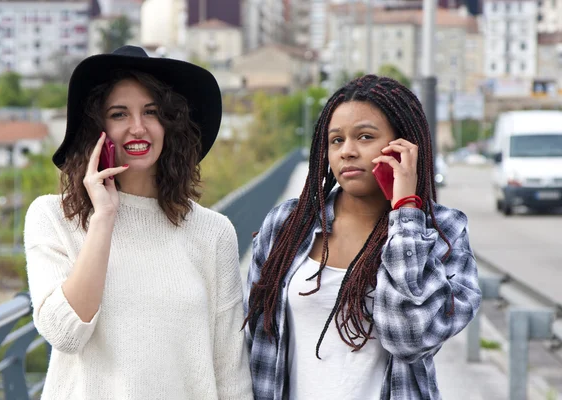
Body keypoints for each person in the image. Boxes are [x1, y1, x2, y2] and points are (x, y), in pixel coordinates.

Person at [24, 46, 252, 399]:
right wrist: (104, 218)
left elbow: (230, 370)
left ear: (170, 124)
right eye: (118, 114)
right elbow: (65, 333)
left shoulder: (213, 232)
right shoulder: (53, 217)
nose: (138, 127)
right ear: (95, 129)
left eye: (152, 112)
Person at [243, 75, 482, 399]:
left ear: (404, 146)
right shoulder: (287, 226)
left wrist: (405, 213)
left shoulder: (443, 231)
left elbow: (410, 338)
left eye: (365, 137)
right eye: (336, 140)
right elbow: (252, 341)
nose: (347, 152)